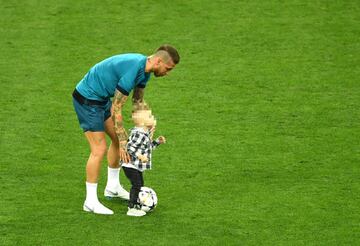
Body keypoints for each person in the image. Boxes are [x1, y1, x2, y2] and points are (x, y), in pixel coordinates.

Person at [72, 45, 180, 215]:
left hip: (101, 99)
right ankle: (90, 201)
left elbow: (137, 102)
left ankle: (112, 187)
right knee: (99, 149)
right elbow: (116, 108)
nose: (167, 73)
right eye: (168, 68)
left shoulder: (145, 72)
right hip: (87, 99)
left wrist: (147, 125)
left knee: (118, 138)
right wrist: (124, 141)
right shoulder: (133, 69)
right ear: (159, 61)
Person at [122, 109, 166, 217]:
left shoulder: (145, 133)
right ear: (142, 123)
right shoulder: (138, 134)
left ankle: (136, 203)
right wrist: (139, 156)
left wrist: (157, 142)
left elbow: (148, 148)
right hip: (130, 165)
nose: (154, 118)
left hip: (136, 166)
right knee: (136, 185)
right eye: (150, 117)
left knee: (140, 184)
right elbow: (129, 147)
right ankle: (131, 207)